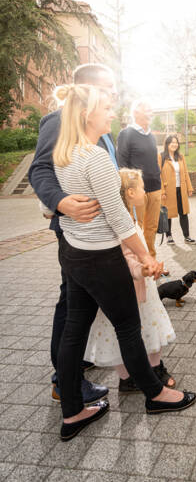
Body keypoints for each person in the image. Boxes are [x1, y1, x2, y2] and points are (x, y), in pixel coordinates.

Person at [52, 83, 195, 441]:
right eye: (106, 108)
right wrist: (146, 256)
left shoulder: (64, 153)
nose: (112, 113)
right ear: (88, 114)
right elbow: (118, 218)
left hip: (74, 254)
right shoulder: (95, 156)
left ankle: (72, 412)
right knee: (129, 327)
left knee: (73, 332)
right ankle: (156, 394)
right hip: (101, 258)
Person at [28, 62, 115, 405]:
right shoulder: (60, 118)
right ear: (89, 88)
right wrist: (62, 201)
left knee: (81, 305)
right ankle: (65, 381)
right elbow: (41, 168)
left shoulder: (100, 124)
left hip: (100, 232)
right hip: (76, 232)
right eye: (108, 88)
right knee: (73, 305)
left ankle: (71, 369)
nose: (114, 95)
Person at [84, 168, 177, 390]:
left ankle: (130, 377)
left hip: (137, 287)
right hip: (134, 290)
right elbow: (125, 258)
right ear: (131, 192)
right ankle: (147, 372)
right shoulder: (119, 222)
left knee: (128, 332)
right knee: (147, 328)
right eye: (143, 188)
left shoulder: (126, 217)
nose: (145, 192)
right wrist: (142, 270)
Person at [117, 100, 161, 257]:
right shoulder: (126, 134)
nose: (150, 110)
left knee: (152, 227)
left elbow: (154, 160)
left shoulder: (150, 135)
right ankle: (139, 263)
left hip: (155, 187)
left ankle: (152, 261)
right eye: (145, 108)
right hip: (137, 191)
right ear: (135, 113)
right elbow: (122, 166)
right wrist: (128, 191)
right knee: (137, 227)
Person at [159, 134, 196, 245]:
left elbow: (185, 173)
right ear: (167, 144)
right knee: (168, 214)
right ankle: (169, 236)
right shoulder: (161, 157)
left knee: (183, 213)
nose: (174, 144)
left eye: (176, 142)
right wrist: (162, 191)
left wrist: (189, 187)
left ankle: (187, 236)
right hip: (168, 190)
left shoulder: (180, 157)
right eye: (172, 142)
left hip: (181, 188)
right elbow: (158, 175)